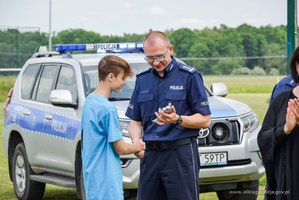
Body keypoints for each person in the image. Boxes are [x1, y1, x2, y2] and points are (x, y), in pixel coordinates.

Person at [125, 31, 211, 200]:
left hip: (179, 154)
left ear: (170, 49)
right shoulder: (142, 80)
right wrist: (136, 142)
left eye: (159, 56)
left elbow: (205, 120)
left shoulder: (189, 77)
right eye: (150, 58)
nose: (155, 62)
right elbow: (135, 121)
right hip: (150, 156)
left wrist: (178, 119)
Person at [81, 55, 145, 200]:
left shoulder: (90, 102)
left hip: (92, 178)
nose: (124, 83)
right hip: (107, 181)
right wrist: (137, 145)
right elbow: (120, 148)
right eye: (122, 78)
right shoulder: (107, 109)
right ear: (111, 76)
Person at [258, 46, 299, 200]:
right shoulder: (281, 100)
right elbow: (263, 138)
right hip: (287, 182)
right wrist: (285, 129)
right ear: (296, 66)